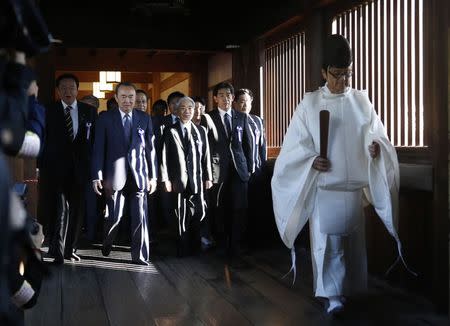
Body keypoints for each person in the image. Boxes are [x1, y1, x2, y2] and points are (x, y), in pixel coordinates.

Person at [271, 34, 404, 315]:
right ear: (323, 72)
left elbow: (379, 136)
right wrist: (310, 160)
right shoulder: (308, 104)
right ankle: (331, 295)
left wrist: (376, 148)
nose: (343, 81)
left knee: (353, 243)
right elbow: (294, 148)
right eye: (337, 74)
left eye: (348, 74)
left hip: (353, 188)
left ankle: (352, 288)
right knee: (328, 242)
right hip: (325, 188)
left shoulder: (361, 101)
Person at [91, 82, 157, 265]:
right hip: (114, 175)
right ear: (116, 98)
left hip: (139, 175)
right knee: (114, 216)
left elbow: (150, 150)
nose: (128, 101)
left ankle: (140, 256)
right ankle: (107, 241)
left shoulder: (144, 118)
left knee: (140, 217)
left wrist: (153, 176)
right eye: (123, 97)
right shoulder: (105, 119)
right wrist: (97, 175)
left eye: (131, 97)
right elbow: (98, 149)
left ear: (135, 98)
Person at [39, 73, 97, 264]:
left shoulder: (88, 111)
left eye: (72, 87)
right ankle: (57, 249)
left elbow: (93, 142)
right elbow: (43, 141)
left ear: (77, 90)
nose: (68, 91)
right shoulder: (49, 111)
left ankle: (70, 249)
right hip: (55, 170)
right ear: (58, 91)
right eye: (63, 88)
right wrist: (40, 167)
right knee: (59, 210)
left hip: (80, 170)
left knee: (77, 210)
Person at [205, 82, 253, 260]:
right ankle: (222, 244)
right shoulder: (207, 118)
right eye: (222, 95)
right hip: (218, 170)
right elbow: (205, 148)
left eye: (229, 95)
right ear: (215, 98)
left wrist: (248, 168)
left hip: (239, 170)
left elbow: (247, 145)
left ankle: (236, 245)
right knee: (220, 208)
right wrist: (207, 172)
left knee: (240, 208)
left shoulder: (241, 117)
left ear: (233, 98)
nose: (226, 98)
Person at [160, 96, 212, 256]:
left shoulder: (201, 131)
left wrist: (208, 177)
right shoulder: (170, 130)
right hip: (178, 180)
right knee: (181, 214)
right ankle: (182, 247)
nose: (187, 111)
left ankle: (196, 245)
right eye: (183, 108)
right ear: (177, 110)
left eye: (190, 108)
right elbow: (163, 157)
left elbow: (206, 156)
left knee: (199, 212)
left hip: (196, 179)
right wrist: (165, 179)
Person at [233, 88, 267, 248]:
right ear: (235, 103)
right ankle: (240, 242)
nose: (245, 104)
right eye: (241, 101)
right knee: (241, 209)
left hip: (258, 171)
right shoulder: (233, 120)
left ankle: (256, 240)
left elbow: (262, 147)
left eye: (247, 101)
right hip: (241, 173)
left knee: (257, 206)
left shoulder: (258, 120)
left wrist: (263, 166)